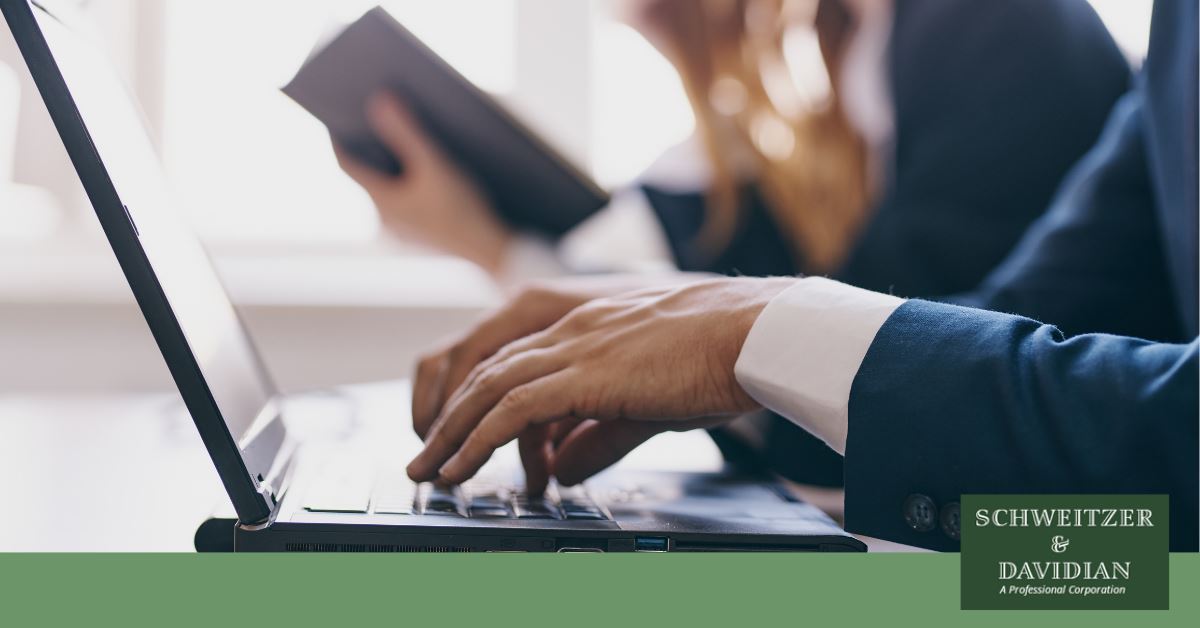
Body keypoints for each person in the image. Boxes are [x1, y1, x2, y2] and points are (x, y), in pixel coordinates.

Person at [401, 0, 1198, 551]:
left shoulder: (993, 30)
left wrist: (758, 334)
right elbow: (1024, 316)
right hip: (1105, 547)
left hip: (1128, 560)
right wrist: (735, 356)